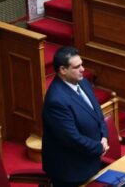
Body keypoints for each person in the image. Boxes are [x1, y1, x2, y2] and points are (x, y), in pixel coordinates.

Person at [42, 46, 109, 186]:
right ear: (63, 70)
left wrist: (104, 136)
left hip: (91, 160)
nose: (83, 69)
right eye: (77, 67)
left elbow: (97, 113)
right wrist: (99, 147)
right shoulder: (56, 100)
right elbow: (72, 138)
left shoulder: (82, 82)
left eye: (82, 65)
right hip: (72, 172)